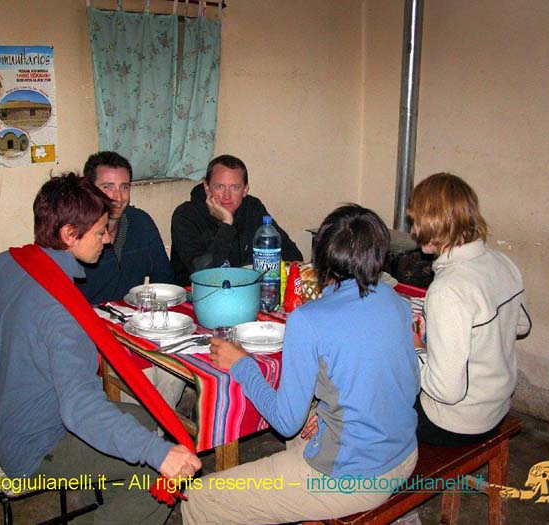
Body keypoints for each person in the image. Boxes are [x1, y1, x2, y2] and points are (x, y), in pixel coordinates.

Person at [0, 173, 201, 525]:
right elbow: (81, 410)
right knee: (157, 476)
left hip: (9, 428)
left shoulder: (9, 263)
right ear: (69, 234)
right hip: (37, 448)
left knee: (146, 419)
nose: (107, 240)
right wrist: (159, 455)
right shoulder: (64, 314)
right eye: (100, 231)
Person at [182, 204, 420, 524]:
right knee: (307, 421)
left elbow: (285, 422)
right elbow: (406, 385)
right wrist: (324, 412)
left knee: (199, 497)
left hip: (352, 478)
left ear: (321, 258)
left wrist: (242, 364)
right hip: (404, 454)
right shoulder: (397, 302)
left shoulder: (309, 319)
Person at [407, 173, 532, 446]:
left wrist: (417, 347)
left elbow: (446, 390)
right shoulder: (501, 262)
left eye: (417, 221)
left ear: (436, 223)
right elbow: (521, 325)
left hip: (453, 422)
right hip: (496, 407)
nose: (414, 231)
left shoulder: (448, 289)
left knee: (374, 385)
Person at [170, 154, 303, 285]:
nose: (227, 196)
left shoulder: (252, 208)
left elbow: (293, 256)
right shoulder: (185, 216)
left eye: (235, 187)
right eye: (219, 187)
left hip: (249, 295)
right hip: (195, 300)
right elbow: (206, 276)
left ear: (245, 190)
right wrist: (227, 224)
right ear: (206, 187)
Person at [77, 151, 174, 304]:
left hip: (132, 320)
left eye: (124, 187)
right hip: (87, 321)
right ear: (89, 189)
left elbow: (165, 281)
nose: (118, 197)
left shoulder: (141, 222)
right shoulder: (76, 233)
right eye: (107, 187)